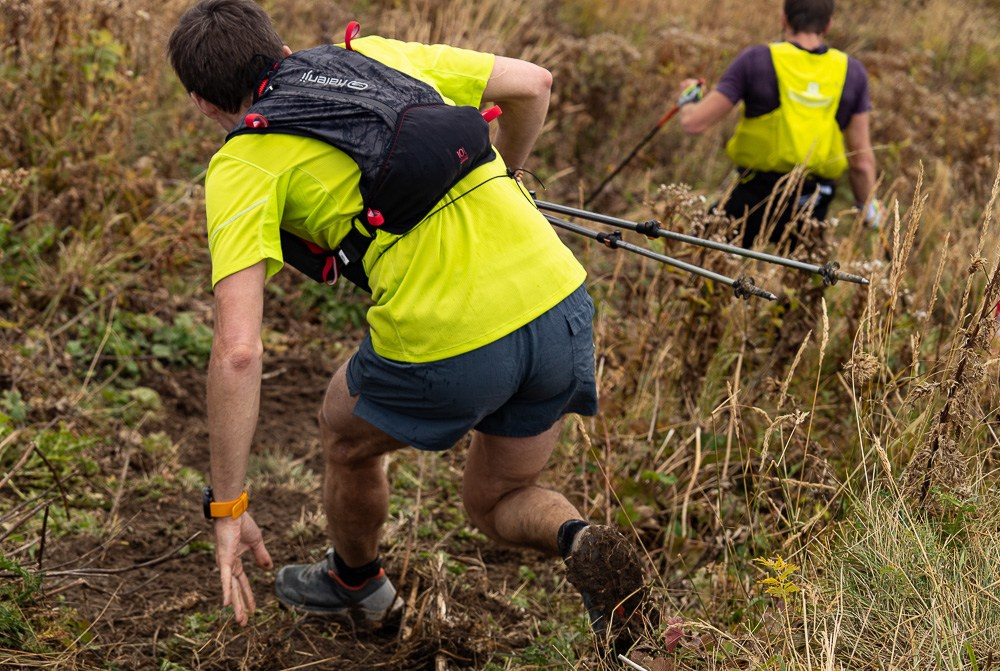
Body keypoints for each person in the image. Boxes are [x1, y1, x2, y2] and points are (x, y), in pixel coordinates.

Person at [166, 0, 647, 648]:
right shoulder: (375, 56)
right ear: (279, 49)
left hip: (453, 340)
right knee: (499, 499)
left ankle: (356, 585)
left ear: (200, 102)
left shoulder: (243, 161)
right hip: (559, 300)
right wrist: (516, 172)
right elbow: (535, 83)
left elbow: (238, 352)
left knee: (344, 430)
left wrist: (228, 506)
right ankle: (580, 538)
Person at [675, 0, 880, 248]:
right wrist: (868, 207)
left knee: (704, 258)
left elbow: (694, 122)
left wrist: (688, 99)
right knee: (799, 280)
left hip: (754, 195)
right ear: (827, 25)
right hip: (813, 202)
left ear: (784, 19)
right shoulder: (853, 72)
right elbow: (861, 162)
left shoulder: (755, 60)